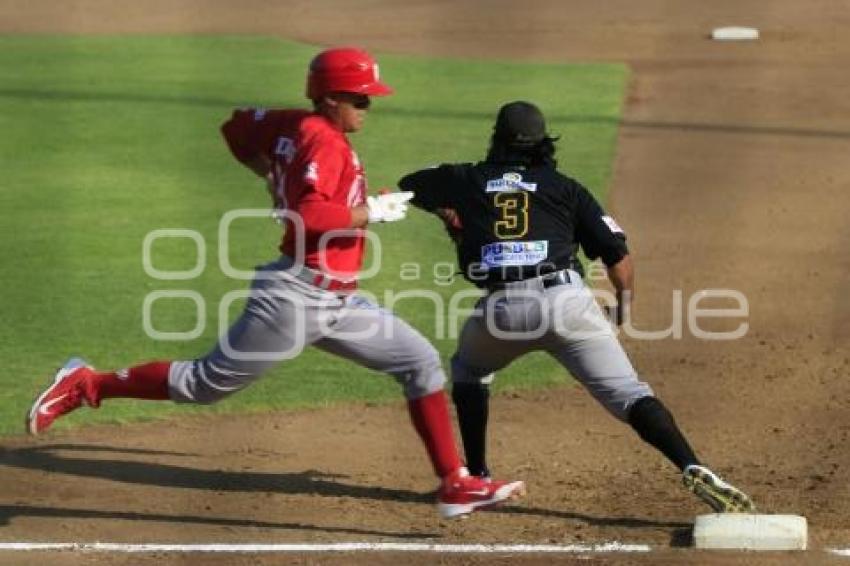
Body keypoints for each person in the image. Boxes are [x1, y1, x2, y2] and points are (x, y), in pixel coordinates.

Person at [26, 47, 525, 520]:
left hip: (338, 300)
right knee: (203, 385)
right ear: (330, 98)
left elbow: (235, 127)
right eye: (359, 97)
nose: (368, 106)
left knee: (418, 361)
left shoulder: (293, 122)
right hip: (296, 298)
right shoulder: (325, 142)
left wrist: (270, 174)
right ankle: (87, 383)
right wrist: (366, 210)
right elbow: (307, 218)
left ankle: (455, 483)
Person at [398, 100, 755, 513]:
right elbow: (618, 261)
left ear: (496, 139)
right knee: (628, 393)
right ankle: (693, 465)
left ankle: (476, 475)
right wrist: (620, 310)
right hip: (567, 302)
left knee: (469, 370)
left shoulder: (466, 178)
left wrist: (450, 212)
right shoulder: (566, 188)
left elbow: (411, 183)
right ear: (543, 144)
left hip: (502, 311)